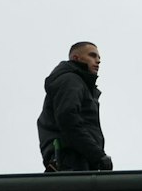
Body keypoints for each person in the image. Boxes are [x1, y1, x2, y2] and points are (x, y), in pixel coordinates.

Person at [37, 41, 113, 172]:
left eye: (99, 57)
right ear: (76, 58)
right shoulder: (71, 80)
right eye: (92, 55)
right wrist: (98, 155)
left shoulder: (79, 84)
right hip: (71, 159)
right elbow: (68, 118)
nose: (98, 61)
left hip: (78, 158)